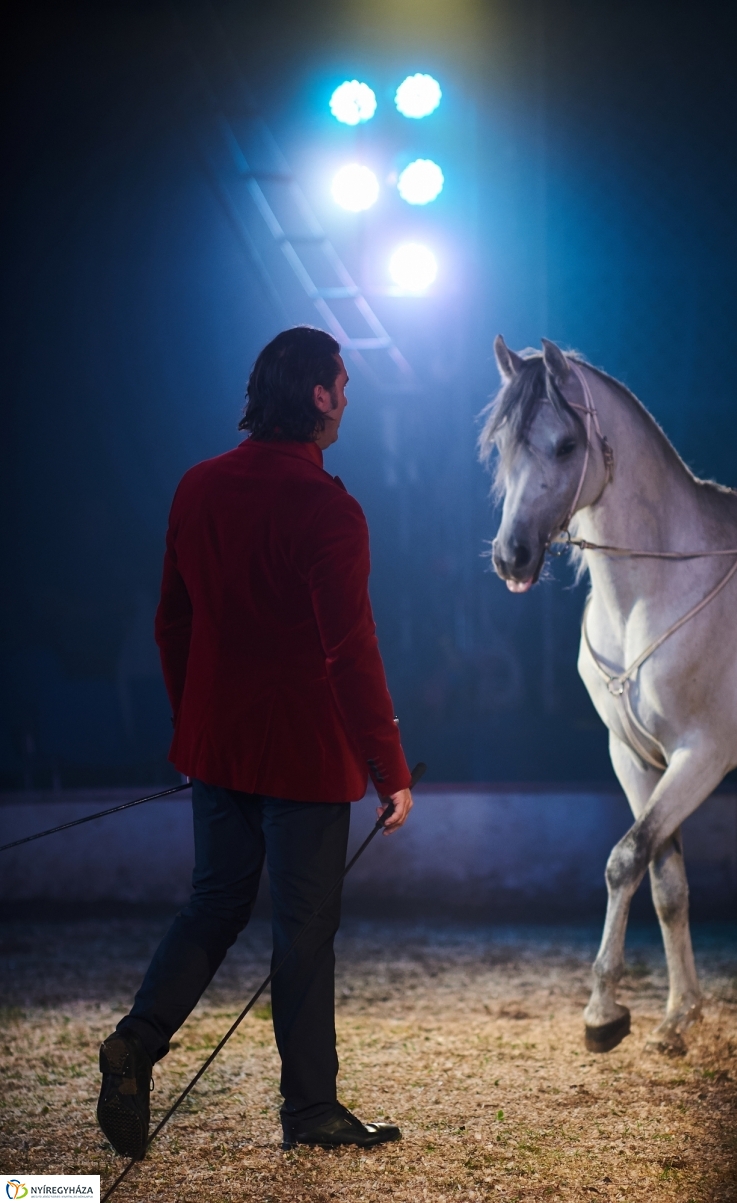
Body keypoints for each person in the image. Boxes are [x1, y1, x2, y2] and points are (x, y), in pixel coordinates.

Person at [96, 326, 414, 1159]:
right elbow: (352, 650)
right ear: (318, 394)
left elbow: (174, 622)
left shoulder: (197, 487)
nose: (348, 398)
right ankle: (310, 1110)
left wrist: (195, 725)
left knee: (214, 903)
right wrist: (390, 768)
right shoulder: (329, 508)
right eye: (342, 385)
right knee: (304, 929)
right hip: (304, 754)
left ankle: (137, 1038)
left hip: (219, 746)